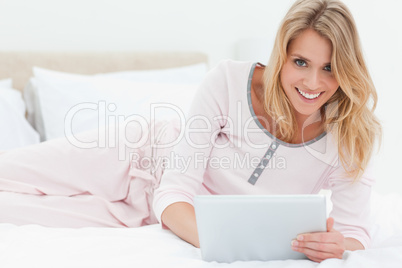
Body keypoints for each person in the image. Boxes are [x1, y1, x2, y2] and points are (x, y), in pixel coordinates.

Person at [0, 0, 380, 263]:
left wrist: (334, 245)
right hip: (135, 155)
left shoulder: (347, 137)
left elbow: (355, 235)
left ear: (347, 70)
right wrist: (226, 244)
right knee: (9, 170)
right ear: (282, 56)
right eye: (301, 62)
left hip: (152, 217)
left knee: (13, 212)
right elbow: (175, 189)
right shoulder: (231, 81)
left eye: (329, 68)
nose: (313, 82)